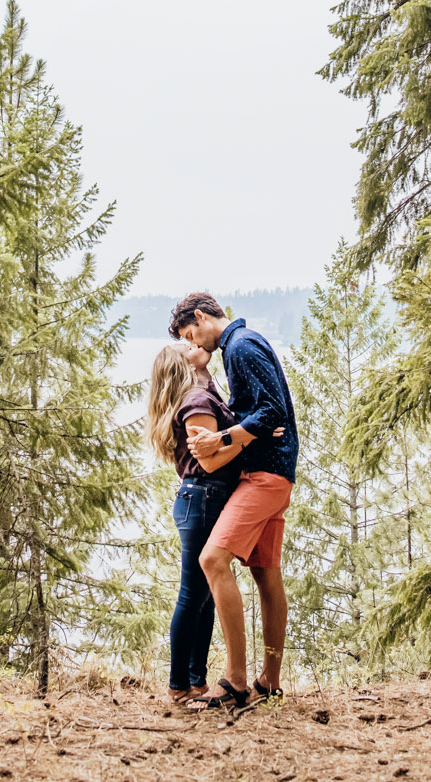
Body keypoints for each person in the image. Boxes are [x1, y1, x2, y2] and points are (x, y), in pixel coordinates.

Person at [171, 291, 299, 711]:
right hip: (274, 471)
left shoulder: (240, 346)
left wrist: (226, 437)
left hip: (265, 475)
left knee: (212, 560)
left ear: (203, 316)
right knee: (265, 572)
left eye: (191, 334)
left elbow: (272, 412)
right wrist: (249, 429)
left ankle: (236, 680)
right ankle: (270, 681)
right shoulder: (240, 347)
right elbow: (261, 415)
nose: (193, 344)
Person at [144, 342, 253, 704]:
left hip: (201, 498)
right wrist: (250, 435)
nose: (194, 344)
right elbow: (209, 462)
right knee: (193, 596)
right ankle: (178, 685)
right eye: (184, 345)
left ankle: (195, 682)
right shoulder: (195, 402)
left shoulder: (203, 394)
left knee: (204, 597)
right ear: (181, 364)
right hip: (204, 494)